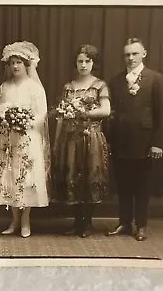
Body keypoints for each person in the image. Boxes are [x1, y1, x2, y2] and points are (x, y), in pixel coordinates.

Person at [107, 38, 163, 242]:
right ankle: (124, 223)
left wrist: (158, 143)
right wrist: (109, 140)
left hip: (145, 143)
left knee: (142, 187)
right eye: (127, 54)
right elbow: (112, 113)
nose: (131, 58)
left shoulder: (155, 78)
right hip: (121, 142)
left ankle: (141, 225)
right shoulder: (116, 81)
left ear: (144, 54)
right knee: (123, 185)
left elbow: (162, 113)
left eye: (135, 54)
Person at [0, 41, 51, 238]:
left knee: (26, 176)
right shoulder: (4, 87)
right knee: (9, 176)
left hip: (27, 139)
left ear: (26, 64)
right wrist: (1, 113)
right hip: (7, 140)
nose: (15, 66)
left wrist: (25, 122)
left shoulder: (35, 88)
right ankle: (14, 219)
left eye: (19, 62)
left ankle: (25, 220)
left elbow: (42, 114)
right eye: (12, 62)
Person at [51, 45, 110, 237]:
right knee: (73, 177)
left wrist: (84, 112)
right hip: (70, 139)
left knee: (89, 176)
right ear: (75, 63)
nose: (83, 65)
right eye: (80, 61)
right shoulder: (68, 87)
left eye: (87, 61)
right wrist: (57, 141)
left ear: (94, 63)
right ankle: (77, 222)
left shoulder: (99, 85)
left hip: (91, 137)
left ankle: (87, 223)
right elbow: (61, 116)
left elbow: (106, 110)